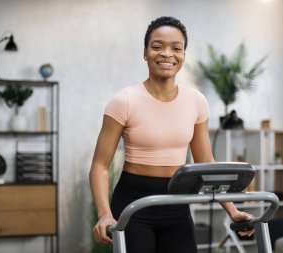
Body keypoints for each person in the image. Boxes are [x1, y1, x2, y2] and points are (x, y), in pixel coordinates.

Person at [89, 16, 255, 253]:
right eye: (157, 47)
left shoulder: (196, 101)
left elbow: (206, 162)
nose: (167, 54)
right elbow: (100, 165)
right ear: (145, 53)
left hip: (176, 203)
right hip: (132, 204)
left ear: (183, 55)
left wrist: (233, 210)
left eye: (176, 48)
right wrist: (105, 214)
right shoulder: (124, 101)